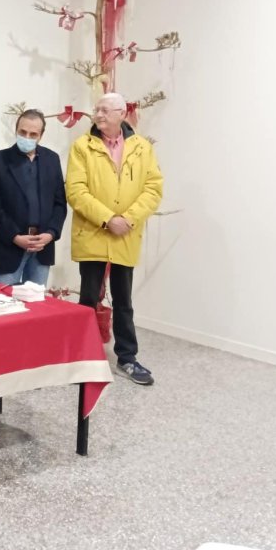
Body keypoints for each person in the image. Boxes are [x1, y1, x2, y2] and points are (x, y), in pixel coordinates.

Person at [65, 92, 163, 386]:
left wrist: (128, 219)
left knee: (123, 300)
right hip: (93, 232)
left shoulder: (142, 147)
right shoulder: (82, 146)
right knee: (88, 299)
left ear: (121, 113)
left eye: (105, 110)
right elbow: (76, 191)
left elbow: (153, 189)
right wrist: (108, 219)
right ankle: (81, 357)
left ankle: (127, 358)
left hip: (125, 235)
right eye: (97, 109)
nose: (98, 114)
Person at [0, 108, 66, 286]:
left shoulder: (52, 159)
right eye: (23, 132)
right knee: (5, 301)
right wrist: (15, 237)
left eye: (33, 134)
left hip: (42, 247)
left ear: (41, 135)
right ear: (16, 130)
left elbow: (60, 203)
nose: (27, 137)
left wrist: (51, 234)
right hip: (9, 246)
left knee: (37, 301)